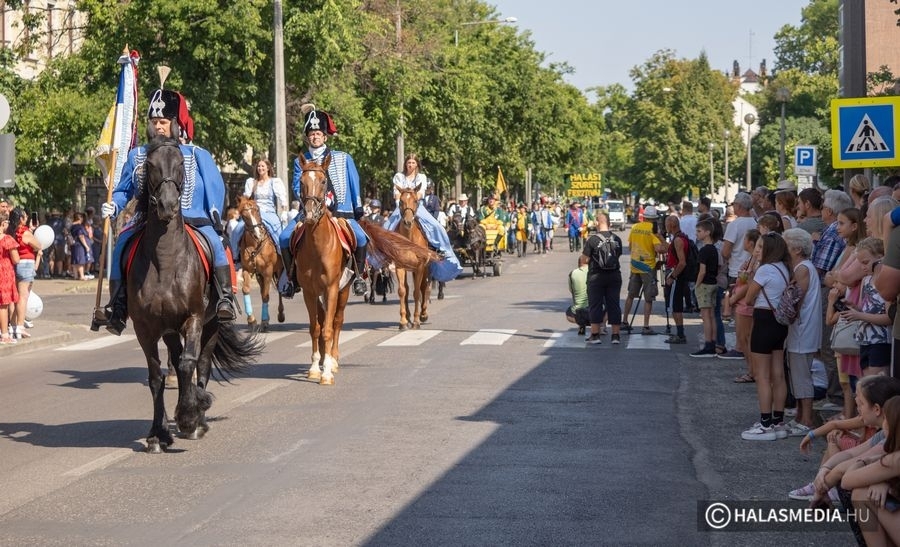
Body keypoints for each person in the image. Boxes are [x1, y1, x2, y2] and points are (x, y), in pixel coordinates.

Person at [96, 87, 235, 335]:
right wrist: (114, 205)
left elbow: (215, 187)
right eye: (154, 121)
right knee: (121, 247)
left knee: (215, 244)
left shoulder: (196, 154)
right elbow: (124, 190)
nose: (158, 126)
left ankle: (224, 298)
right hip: (146, 220)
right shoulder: (137, 156)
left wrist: (214, 214)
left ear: (175, 123)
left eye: (163, 121)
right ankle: (117, 307)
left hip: (193, 219)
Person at [279, 105, 368, 297]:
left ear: (325, 137)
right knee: (284, 237)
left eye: (318, 133)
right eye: (311, 134)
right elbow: (296, 186)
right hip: (309, 211)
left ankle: (359, 277)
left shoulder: (343, 158)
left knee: (361, 238)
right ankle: (292, 280)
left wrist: (358, 207)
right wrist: (308, 201)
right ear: (307, 137)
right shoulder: (300, 161)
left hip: (341, 212)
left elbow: (354, 182)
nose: (315, 137)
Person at [740, 232, 791, 441]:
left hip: (764, 319)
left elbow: (749, 298)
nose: (757, 251)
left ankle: (765, 424)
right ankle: (778, 421)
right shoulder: (784, 268)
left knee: (762, 376)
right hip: (780, 322)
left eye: (761, 247)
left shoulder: (765, 269)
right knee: (778, 373)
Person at [386, 154, 461, 283]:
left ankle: (443, 251)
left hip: (416, 206)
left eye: (413, 163)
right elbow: (396, 194)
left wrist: (411, 198)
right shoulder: (399, 176)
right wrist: (403, 203)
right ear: (405, 164)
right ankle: (383, 256)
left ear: (417, 165)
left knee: (436, 226)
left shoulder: (421, 177)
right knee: (386, 227)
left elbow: (420, 194)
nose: (410, 165)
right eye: (409, 163)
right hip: (402, 206)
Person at [783, 228, 822, 436]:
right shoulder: (803, 267)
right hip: (801, 328)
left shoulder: (803, 269)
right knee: (797, 373)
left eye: (787, 245)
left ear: (797, 249)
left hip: (802, 328)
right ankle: (800, 416)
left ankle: (806, 419)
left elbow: (796, 300)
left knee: (801, 375)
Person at [230, 158, 288, 265]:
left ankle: (282, 258)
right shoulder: (252, 182)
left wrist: (284, 211)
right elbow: (246, 198)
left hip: (269, 212)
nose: (260, 168)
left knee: (278, 231)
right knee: (237, 229)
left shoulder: (274, 182)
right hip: (254, 212)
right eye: (259, 166)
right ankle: (235, 257)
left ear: (268, 168)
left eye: (262, 166)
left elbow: (282, 199)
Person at [621, 205, 663, 335]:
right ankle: (646, 326)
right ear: (654, 218)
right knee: (648, 298)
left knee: (631, 295)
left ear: (644, 217)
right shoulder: (653, 230)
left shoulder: (635, 227)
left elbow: (630, 246)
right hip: (648, 267)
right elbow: (658, 249)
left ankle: (625, 321)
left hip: (635, 265)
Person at [583, 212, 623, 345]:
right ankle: (616, 336)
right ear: (609, 223)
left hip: (596, 276)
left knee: (595, 305)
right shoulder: (617, 239)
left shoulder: (592, 240)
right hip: (614, 276)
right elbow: (617, 256)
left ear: (597, 223)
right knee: (614, 305)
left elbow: (585, 259)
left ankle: (595, 335)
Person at [6, 207, 42, 340]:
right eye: (25, 217)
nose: (27, 219)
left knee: (14, 297)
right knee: (23, 297)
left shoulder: (11, 231)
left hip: (15, 263)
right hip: (26, 264)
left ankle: (13, 325)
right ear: (21, 219)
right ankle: (20, 326)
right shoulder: (25, 232)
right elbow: (38, 245)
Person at [690, 219, 719, 357]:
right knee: (711, 315)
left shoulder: (704, 250)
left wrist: (696, 285)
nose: (697, 233)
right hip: (713, 283)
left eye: (699, 231)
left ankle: (708, 345)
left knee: (705, 316)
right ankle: (713, 342)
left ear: (707, 232)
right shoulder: (714, 249)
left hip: (705, 284)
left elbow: (702, 271)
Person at [663, 214, 692, 344]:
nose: (665, 227)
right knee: (676, 306)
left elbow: (682, 262)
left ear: (672, 225)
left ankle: (680, 335)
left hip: (677, 277)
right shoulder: (680, 237)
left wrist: (672, 276)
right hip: (678, 276)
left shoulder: (678, 240)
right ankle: (680, 334)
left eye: (666, 224)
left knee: (675, 306)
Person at [0, 212, 19, 344]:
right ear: (2, 224)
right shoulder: (7, 239)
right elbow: (16, 259)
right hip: (4, 272)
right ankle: (5, 334)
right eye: (7, 222)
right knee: (3, 305)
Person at [566, 254, 589, 336]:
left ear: (579, 263)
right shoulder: (594, 272)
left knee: (569, 313)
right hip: (596, 311)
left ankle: (581, 324)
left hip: (577, 312)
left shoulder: (572, 273)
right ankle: (602, 326)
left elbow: (572, 291)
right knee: (607, 305)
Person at [69, 212, 93, 281]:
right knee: (80, 261)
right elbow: (81, 236)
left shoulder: (72, 226)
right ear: (80, 218)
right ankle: (82, 276)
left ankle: (75, 275)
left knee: (75, 260)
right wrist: (86, 246)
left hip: (74, 245)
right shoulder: (79, 226)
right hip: (79, 245)